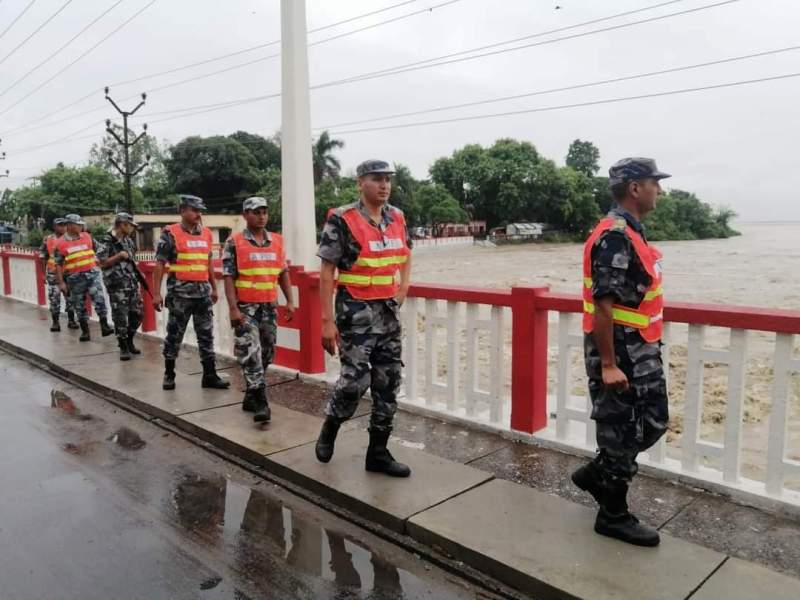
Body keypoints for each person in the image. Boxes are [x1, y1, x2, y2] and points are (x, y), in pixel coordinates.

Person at [571, 157, 671, 547]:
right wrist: (609, 364)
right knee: (621, 430)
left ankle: (598, 473)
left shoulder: (633, 232)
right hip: (621, 351)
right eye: (653, 183)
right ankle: (612, 514)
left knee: (653, 422)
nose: (658, 189)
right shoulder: (615, 235)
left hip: (640, 348)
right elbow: (603, 304)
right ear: (634, 188)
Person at [314, 159, 413, 477]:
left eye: (387, 179)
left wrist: (404, 287)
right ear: (360, 183)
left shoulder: (397, 217)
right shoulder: (343, 218)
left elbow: (406, 254)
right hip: (355, 313)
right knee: (353, 383)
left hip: (388, 313)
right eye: (376, 179)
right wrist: (326, 321)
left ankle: (378, 453)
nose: (384, 185)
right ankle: (331, 424)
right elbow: (327, 271)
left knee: (389, 382)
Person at [222, 196, 296, 423]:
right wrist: (233, 309)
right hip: (246, 308)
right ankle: (261, 401)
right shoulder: (234, 242)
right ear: (245, 215)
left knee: (267, 352)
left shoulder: (277, 241)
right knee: (250, 352)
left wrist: (289, 301)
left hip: (269, 307)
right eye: (256, 212)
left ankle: (251, 395)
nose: (262, 216)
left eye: (264, 212)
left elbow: (283, 272)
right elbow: (228, 277)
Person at [152, 194, 229, 391]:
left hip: (202, 294)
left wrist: (213, 287)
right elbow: (159, 264)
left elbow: (208, 262)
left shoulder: (207, 234)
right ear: (182, 211)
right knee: (174, 335)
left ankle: (209, 375)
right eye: (194, 210)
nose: (198, 214)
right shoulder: (170, 234)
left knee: (206, 335)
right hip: (180, 295)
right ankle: (169, 374)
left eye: (200, 210)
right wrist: (156, 293)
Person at [54, 214, 114, 342]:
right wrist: (61, 283)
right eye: (78, 225)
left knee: (99, 299)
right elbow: (58, 264)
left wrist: (103, 258)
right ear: (70, 225)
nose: (81, 227)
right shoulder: (60, 243)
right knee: (79, 305)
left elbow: (100, 249)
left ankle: (104, 325)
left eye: (81, 225)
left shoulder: (87, 236)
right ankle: (85, 331)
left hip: (92, 274)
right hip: (75, 278)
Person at [96, 212, 144, 361]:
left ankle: (129, 340)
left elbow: (132, 258)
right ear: (122, 225)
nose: (132, 228)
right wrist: (118, 256)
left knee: (138, 314)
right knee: (120, 317)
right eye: (130, 225)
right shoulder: (107, 240)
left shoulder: (128, 241)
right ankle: (123, 346)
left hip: (130, 282)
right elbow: (102, 263)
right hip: (116, 284)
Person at [39, 217, 77, 331]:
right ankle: (55, 323)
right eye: (60, 225)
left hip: (68, 273)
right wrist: (43, 274)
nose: (63, 227)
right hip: (53, 274)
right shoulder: (48, 239)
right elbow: (43, 257)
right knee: (54, 299)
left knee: (70, 298)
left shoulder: (71, 238)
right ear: (54, 227)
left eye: (64, 225)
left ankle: (71, 321)